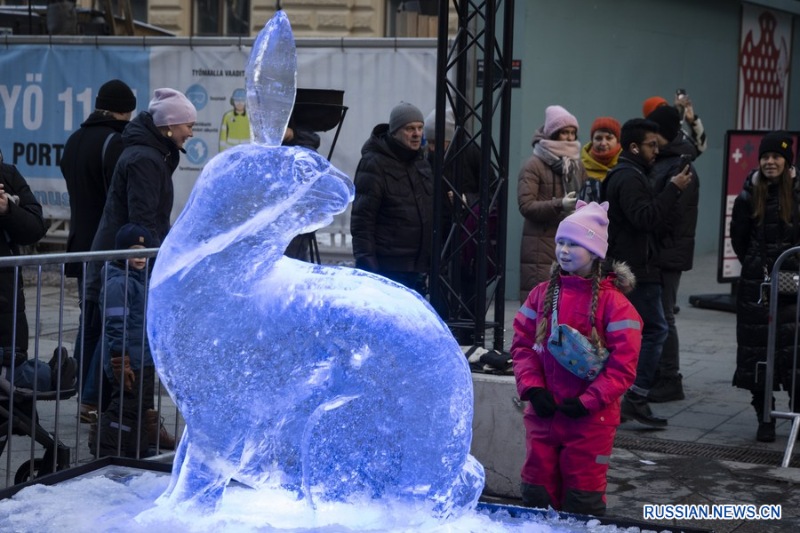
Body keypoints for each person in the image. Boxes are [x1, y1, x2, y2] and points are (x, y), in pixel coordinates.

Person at [511, 201, 642, 516]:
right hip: (544, 416)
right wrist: (532, 388)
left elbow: (623, 368)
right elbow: (522, 345)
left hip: (590, 421)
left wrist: (588, 401)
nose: (564, 250)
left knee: (582, 500)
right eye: (560, 242)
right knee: (536, 493)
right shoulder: (540, 295)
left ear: (595, 251)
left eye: (574, 244)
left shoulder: (617, 306)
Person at [600, 118, 692, 428]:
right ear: (635, 147)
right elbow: (645, 218)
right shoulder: (629, 177)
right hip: (636, 270)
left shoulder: (631, 174)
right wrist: (672, 189)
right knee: (655, 330)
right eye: (652, 145)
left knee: (631, 333)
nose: (657, 150)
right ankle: (636, 397)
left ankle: (621, 397)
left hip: (633, 266)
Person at [59, 78, 136, 401]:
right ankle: (93, 395)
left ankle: (79, 386)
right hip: (105, 248)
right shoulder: (115, 143)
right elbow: (117, 199)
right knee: (106, 321)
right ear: (125, 111)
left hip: (80, 243)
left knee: (88, 315)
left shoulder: (74, 139)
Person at [730, 131, 800, 443]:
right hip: (756, 286)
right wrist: (756, 267)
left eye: (776, 157)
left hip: (794, 284)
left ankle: (796, 415)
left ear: (787, 162)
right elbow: (740, 238)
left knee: (794, 354)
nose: (770, 162)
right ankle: (765, 417)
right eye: (766, 157)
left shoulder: (797, 194)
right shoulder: (749, 193)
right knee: (756, 353)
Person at [92, 223, 176, 457]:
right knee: (125, 408)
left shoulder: (142, 279)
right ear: (121, 252)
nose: (140, 257)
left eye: (144, 251)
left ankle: (135, 449)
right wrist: (121, 359)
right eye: (134, 251)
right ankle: (106, 449)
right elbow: (116, 325)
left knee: (140, 408)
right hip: (130, 359)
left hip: (144, 358)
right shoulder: (119, 283)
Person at [645, 105, 700, 403]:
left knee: (664, 315)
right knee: (657, 314)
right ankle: (658, 373)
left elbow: (669, 213)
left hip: (666, 252)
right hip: (662, 250)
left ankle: (670, 377)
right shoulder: (666, 161)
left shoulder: (679, 165)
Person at [350, 101, 433, 295]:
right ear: (395, 131)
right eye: (409, 128)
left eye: (420, 128)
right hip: (388, 266)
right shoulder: (375, 163)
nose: (416, 134)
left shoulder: (421, 162)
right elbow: (363, 219)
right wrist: (367, 264)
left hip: (418, 266)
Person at [517, 105, 587, 303]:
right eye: (564, 132)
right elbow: (526, 205)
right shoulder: (534, 164)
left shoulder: (576, 164)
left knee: (568, 306)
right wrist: (560, 204)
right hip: (541, 247)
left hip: (571, 243)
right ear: (553, 133)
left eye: (573, 133)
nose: (569, 138)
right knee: (541, 306)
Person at [0, 149, 49, 364]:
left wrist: (8, 209)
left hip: (5, 301)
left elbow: (35, 228)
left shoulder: (7, 175)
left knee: (11, 377)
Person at [642, 92, 707, 159]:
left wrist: (692, 121)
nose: (665, 110)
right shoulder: (649, 147)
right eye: (660, 108)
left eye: (666, 106)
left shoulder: (677, 134)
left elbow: (699, 148)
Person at [578, 117, 622, 204]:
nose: (603, 143)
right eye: (598, 138)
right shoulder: (580, 168)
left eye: (609, 138)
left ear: (618, 140)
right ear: (592, 141)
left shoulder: (625, 166)